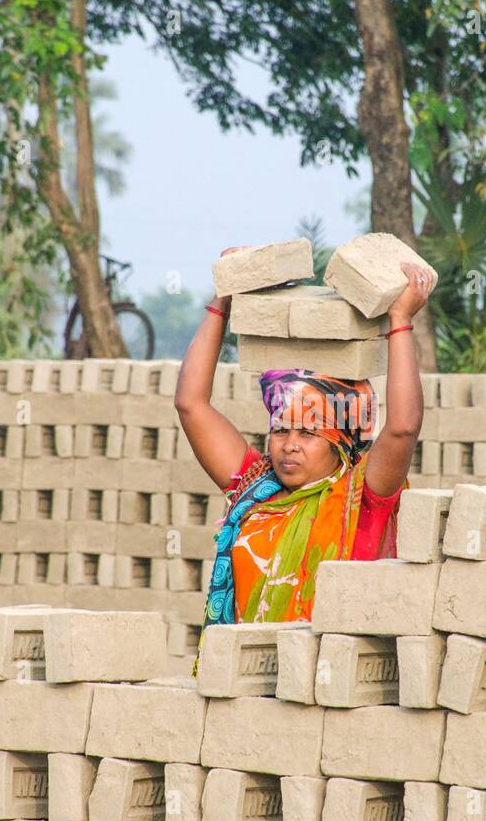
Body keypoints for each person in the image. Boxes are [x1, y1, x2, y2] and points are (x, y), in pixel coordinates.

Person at [174, 247, 436, 672]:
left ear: (340, 442)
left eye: (309, 433)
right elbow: (191, 404)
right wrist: (223, 303)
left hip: (329, 692)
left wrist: (400, 322)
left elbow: (403, 427)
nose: (288, 445)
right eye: (280, 430)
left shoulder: (363, 496)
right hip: (247, 687)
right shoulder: (256, 488)